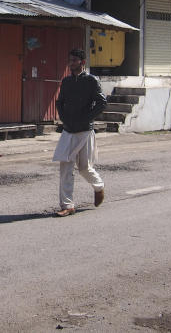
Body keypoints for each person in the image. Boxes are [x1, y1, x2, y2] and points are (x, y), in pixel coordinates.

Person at [52, 48, 107, 216]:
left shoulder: (91, 81)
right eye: (70, 60)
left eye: (74, 60)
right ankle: (67, 205)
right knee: (65, 166)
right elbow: (59, 102)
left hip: (84, 131)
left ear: (82, 63)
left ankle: (99, 187)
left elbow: (101, 102)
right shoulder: (67, 81)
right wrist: (64, 118)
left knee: (84, 168)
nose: (71, 63)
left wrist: (86, 118)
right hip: (68, 130)